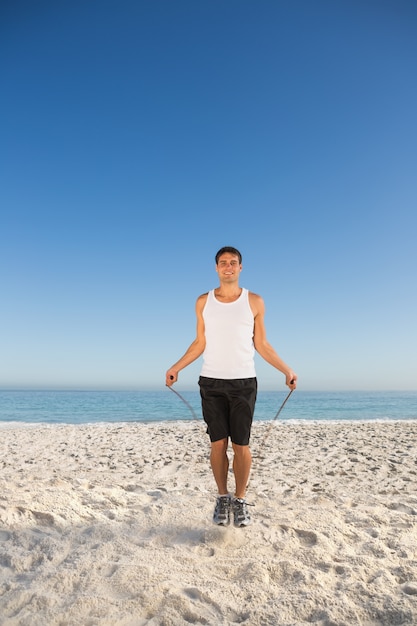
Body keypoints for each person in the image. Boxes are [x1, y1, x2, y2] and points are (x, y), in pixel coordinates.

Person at [165, 246, 297, 527]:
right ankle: (222, 497)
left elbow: (261, 344)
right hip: (210, 381)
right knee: (217, 443)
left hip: (244, 383)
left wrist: (286, 370)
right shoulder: (203, 301)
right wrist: (176, 367)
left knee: (241, 445)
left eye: (233, 263)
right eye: (223, 263)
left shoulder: (254, 301)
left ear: (240, 268)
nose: (228, 267)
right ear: (216, 268)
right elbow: (200, 342)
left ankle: (239, 500)